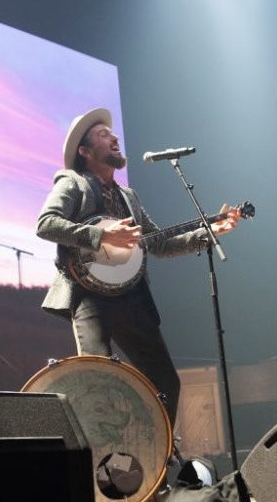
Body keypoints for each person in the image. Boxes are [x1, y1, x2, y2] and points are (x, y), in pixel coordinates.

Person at [35, 108, 240, 428]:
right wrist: (102, 235)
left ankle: (157, 461)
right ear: (85, 152)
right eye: (104, 135)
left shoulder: (128, 197)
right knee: (97, 384)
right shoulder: (73, 182)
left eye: (113, 134)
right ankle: (100, 468)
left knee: (166, 384)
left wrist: (210, 232)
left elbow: (159, 244)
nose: (115, 137)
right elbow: (46, 224)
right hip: (90, 297)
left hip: (131, 296)